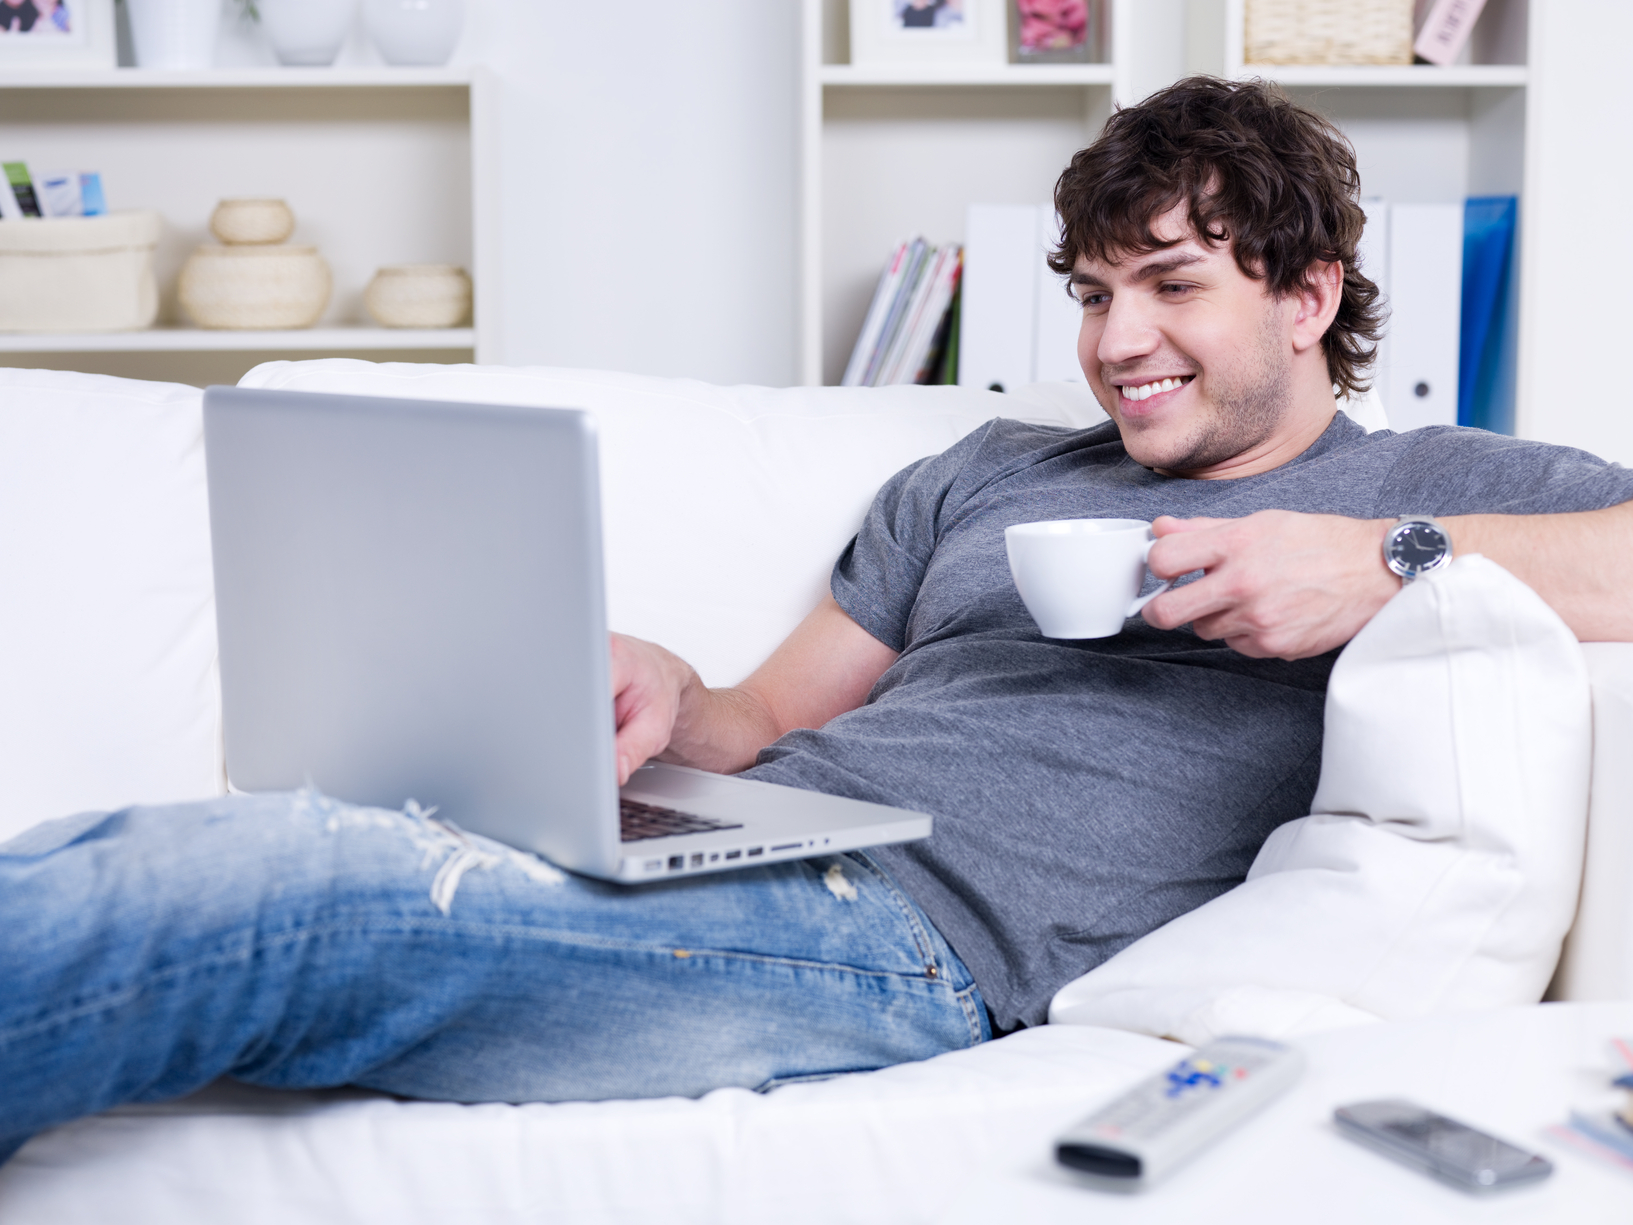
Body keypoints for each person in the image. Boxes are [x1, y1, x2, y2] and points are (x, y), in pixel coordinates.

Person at [5, 76, 1633, 1164]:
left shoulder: (1425, 479)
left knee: (274, 889)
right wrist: (658, 690)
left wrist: (1388, 562)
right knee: (193, 847)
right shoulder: (985, 467)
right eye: (1088, 292)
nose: (1115, 339)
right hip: (747, 847)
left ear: (1307, 292)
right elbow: (763, 724)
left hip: (905, 945)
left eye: (1172, 282)